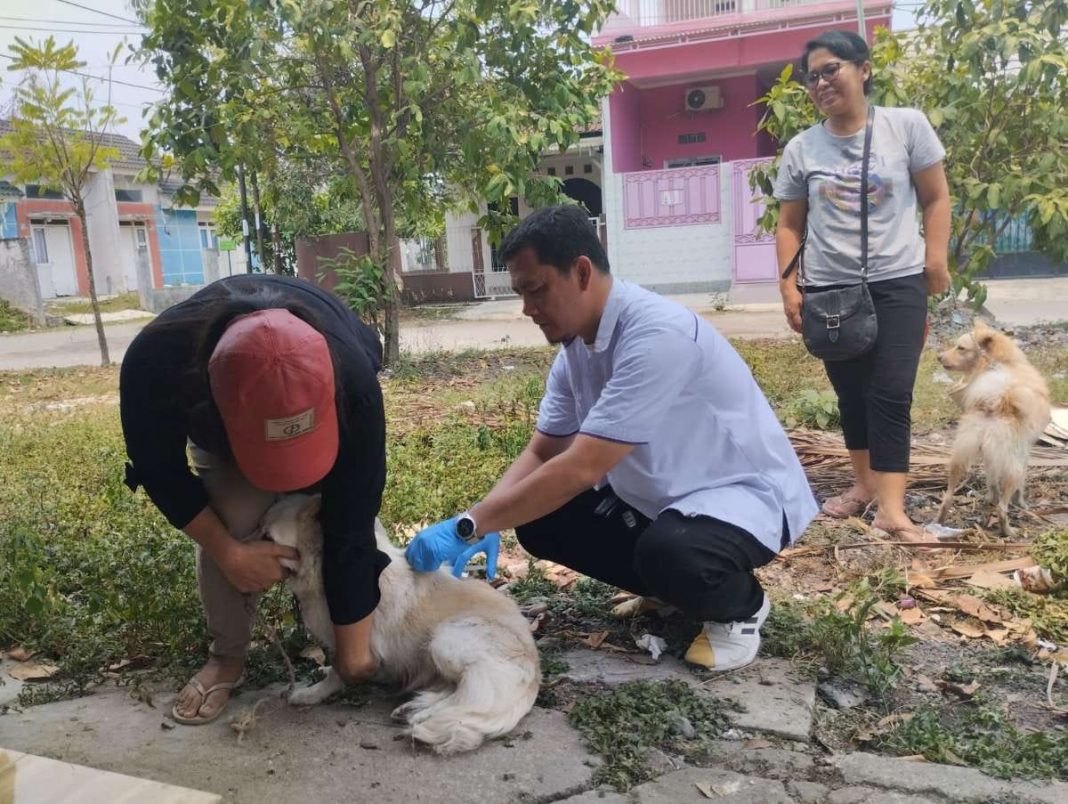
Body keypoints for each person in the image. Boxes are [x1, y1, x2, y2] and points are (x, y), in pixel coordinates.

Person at [405, 204, 818, 672]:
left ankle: (741, 607)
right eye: (520, 293)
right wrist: (480, 518)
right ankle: (670, 590)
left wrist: (469, 525)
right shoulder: (574, 353)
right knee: (542, 520)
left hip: (742, 496)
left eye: (536, 289)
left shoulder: (657, 334)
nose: (528, 309)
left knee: (671, 551)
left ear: (582, 271)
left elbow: (583, 466)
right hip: (666, 501)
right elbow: (545, 451)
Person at [120, 274, 388, 725]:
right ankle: (227, 656)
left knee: (333, 523)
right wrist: (229, 553)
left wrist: (354, 651)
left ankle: (357, 625)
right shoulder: (156, 365)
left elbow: (353, 520)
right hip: (218, 424)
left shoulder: (353, 377)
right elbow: (160, 472)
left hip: (334, 396)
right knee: (235, 514)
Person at [774, 30, 951, 542]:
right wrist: (790, 289)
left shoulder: (906, 127)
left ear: (864, 69)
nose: (821, 82)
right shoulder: (803, 148)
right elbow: (790, 224)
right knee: (850, 394)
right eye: (812, 77)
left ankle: (892, 511)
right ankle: (864, 485)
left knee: (891, 392)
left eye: (831, 70)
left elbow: (936, 197)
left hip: (898, 280)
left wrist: (935, 260)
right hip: (830, 289)